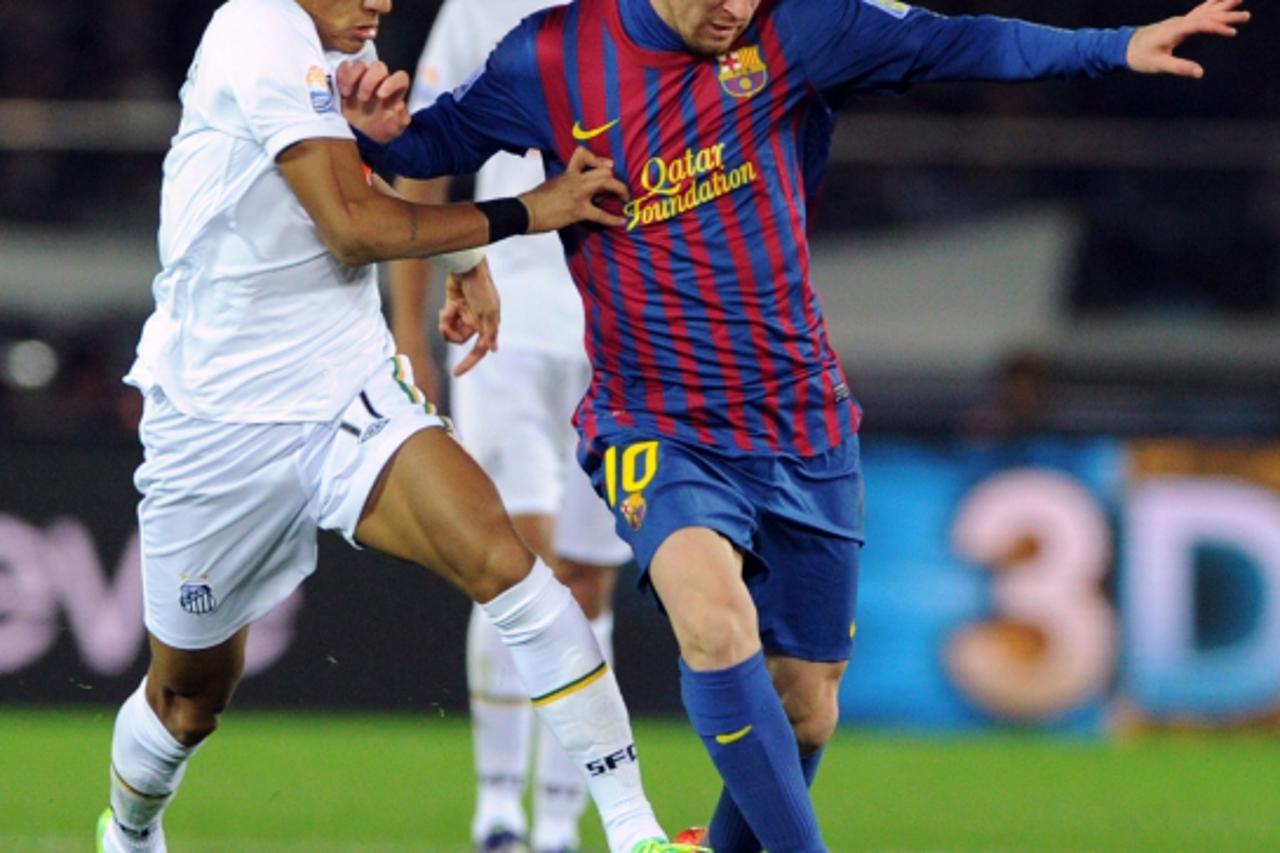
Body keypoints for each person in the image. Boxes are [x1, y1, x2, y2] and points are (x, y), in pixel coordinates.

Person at [341, 0, 1250, 850]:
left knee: (807, 706)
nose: (735, 6)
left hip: (800, 422)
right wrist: (371, 132)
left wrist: (1114, 46)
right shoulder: (553, 53)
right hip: (655, 419)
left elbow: (960, 41)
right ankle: (519, 808)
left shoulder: (802, 29)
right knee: (712, 619)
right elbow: (428, 147)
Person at [93, 1, 704, 852]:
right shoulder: (257, 31)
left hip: (345, 387)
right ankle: (128, 831)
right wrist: (530, 210)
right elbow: (351, 225)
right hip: (219, 421)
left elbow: (368, 179)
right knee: (190, 698)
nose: (381, 2)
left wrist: (462, 261)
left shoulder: (345, 35)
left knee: (509, 563)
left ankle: (633, 831)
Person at [389, 2, 632, 851]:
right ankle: (499, 811)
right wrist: (405, 334)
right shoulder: (478, 8)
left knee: (588, 582)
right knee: (514, 561)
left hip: (621, 331)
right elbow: (421, 160)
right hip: (509, 324)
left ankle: (562, 822)